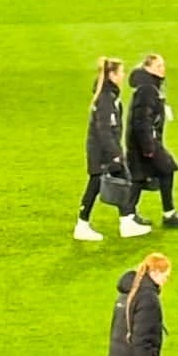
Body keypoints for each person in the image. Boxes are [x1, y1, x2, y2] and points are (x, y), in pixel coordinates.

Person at [76, 58, 148, 242]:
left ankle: (126, 221)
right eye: (120, 72)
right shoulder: (106, 98)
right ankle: (85, 225)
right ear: (112, 75)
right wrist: (115, 153)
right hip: (103, 151)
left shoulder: (109, 95)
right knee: (98, 184)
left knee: (118, 180)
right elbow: (104, 129)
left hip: (103, 149)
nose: (123, 75)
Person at [126, 54, 178, 230]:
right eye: (158, 65)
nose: (163, 68)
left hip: (144, 140)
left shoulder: (150, 86)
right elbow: (142, 120)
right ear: (147, 68)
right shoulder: (148, 89)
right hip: (146, 141)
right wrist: (148, 147)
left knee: (141, 176)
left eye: (163, 65)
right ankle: (165, 214)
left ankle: (130, 215)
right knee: (163, 169)